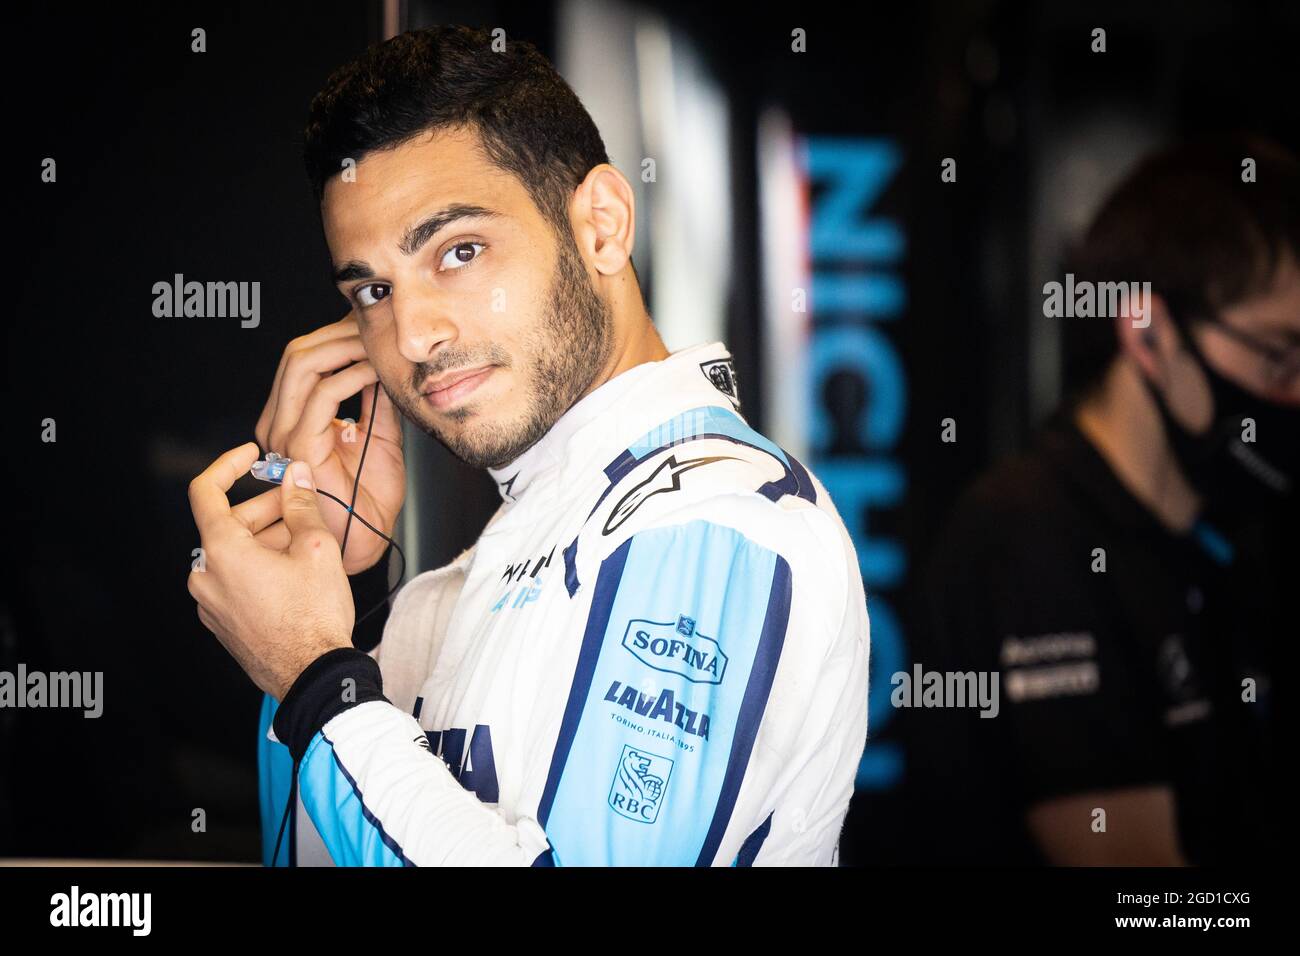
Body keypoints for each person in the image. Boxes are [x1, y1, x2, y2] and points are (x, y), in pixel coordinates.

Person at [185, 26, 870, 866]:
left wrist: (314, 680)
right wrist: (341, 588)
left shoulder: (715, 516)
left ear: (603, 225)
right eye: (373, 289)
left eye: (459, 252)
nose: (413, 336)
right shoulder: (486, 564)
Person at [915, 138, 1297, 865]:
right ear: (1149, 334)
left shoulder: (1220, 541)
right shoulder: (1028, 540)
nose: (1292, 394)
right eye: (1278, 356)